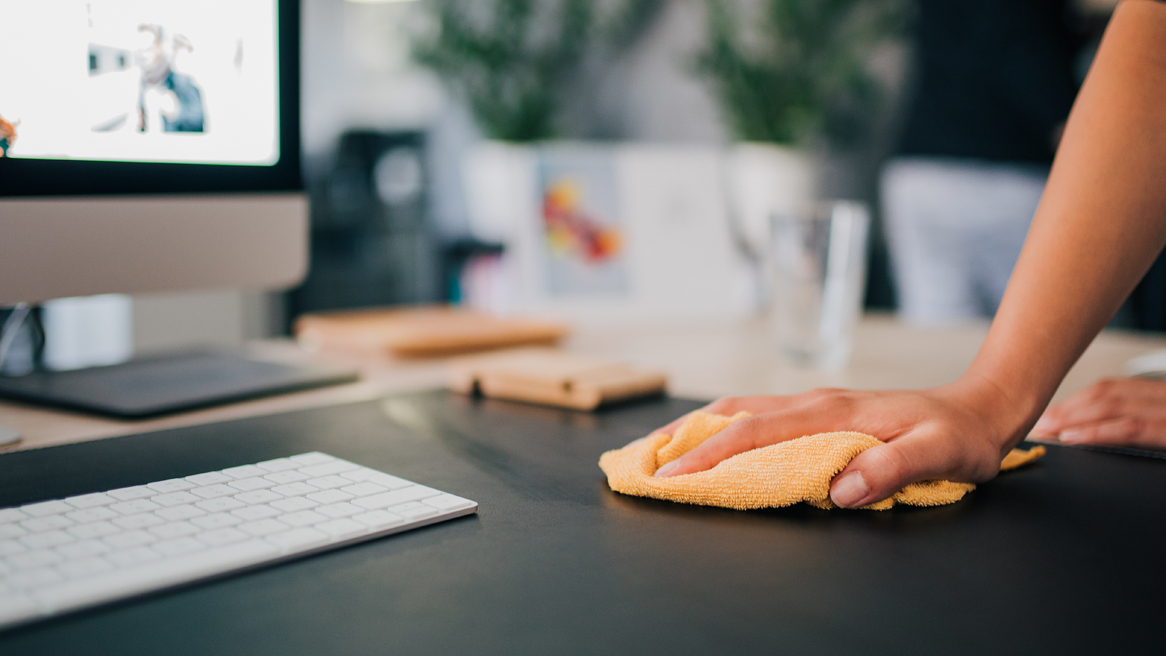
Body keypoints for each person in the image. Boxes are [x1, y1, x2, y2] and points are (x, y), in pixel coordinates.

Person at [652, 0, 1166, 508]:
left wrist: (991, 396)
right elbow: (1150, 41)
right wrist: (990, 397)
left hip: (917, 166)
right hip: (1002, 160)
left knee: (947, 332)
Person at [883, 0, 1081, 324]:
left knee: (937, 338)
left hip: (921, 169)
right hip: (1009, 173)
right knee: (1041, 335)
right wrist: (1071, 127)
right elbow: (1022, 53)